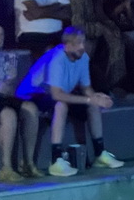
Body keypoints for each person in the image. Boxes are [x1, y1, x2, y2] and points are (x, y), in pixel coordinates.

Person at [15, 27, 124, 177]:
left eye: (83, 43)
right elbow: (56, 95)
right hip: (33, 94)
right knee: (61, 105)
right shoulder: (57, 58)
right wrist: (88, 98)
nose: (82, 47)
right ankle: (56, 161)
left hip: (58, 94)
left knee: (93, 104)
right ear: (67, 46)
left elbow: (86, 89)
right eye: (78, 43)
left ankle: (100, 154)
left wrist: (97, 98)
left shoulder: (83, 57)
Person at [0, 20, 40, 182]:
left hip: (0, 99)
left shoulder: (6, 58)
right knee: (8, 114)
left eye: (1, 35)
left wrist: (10, 82)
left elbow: (10, 90)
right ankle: (6, 167)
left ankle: (27, 162)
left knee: (31, 108)